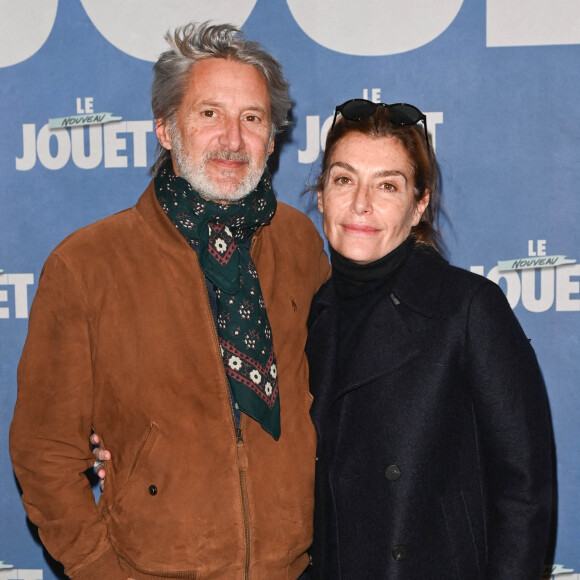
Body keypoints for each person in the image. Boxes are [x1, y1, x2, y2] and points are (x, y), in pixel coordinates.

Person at [10, 22, 329, 580]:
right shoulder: (86, 265)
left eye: (251, 118)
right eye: (209, 114)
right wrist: (100, 567)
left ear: (272, 138)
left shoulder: (301, 242)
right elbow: (44, 453)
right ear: (164, 127)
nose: (233, 139)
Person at [305, 99, 554, 579]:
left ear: (419, 204)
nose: (361, 203)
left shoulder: (467, 308)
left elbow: (523, 492)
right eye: (343, 179)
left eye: (387, 185)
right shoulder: (308, 314)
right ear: (321, 194)